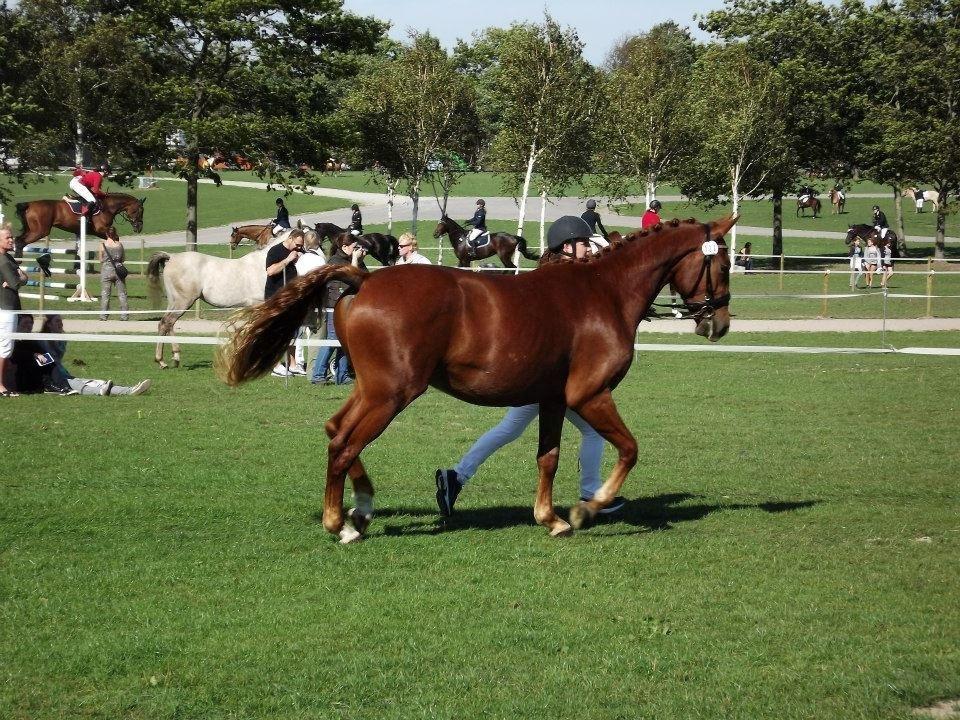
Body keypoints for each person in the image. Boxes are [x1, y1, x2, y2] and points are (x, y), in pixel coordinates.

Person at [435, 215, 626, 518]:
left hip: (547, 375)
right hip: (549, 375)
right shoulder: (566, 279)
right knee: (591, 431)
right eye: (583, 244)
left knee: (510, 429)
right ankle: (591, 492)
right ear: (567, 246)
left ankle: (457, 476)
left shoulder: (566, 272)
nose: (588, 249)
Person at [40, 314, 151, 395]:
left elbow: (57, 359)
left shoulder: (61, 341)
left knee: (96, 382)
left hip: (64, 375)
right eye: (57, 321)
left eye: (61, 321)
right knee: (81, 386)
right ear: (49, 325)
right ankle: (108, 391)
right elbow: (46, 364)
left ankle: (130, 390)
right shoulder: (41, 342)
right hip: (54, 379)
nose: (61, 324)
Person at [310, 237, 367, 385]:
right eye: (354, 247)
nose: (356, 251)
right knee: (332, 340)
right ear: (344, 246)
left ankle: (341, 376)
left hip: (348, 306)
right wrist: (355, 259)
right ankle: (318, 375)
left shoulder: (349, 260)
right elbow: (352, 278)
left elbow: (365, 278)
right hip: (334, 307)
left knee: (343, 341)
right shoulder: (335, 262)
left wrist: (359, 261)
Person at [265, 229, 304, 377]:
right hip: (275, 298)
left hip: (291, 298)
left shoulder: (298, 251)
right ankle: (275, 365)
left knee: (292, 332)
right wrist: (288, 260)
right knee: (277, 333)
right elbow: (270, 271)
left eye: (301, 245)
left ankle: (292, 364)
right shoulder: (275, 251)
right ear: (290, 239)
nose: (299, 248)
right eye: (298, 244)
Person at [0, 223, 28, 396]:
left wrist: (20, 278)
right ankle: (0, 385)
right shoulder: (3, 261)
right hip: (5, 308)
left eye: (11, 237)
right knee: (5, 347)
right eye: (7, 238)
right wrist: (20, 278)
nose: (12, 240)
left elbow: (21, 277)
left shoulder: (9, 258)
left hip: (11, 306)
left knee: (6, 347)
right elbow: (16, 283)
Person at [292, 241, 327, 375]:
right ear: (317, 244)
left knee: (299, 331)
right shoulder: (320, 259)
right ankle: (313, 363)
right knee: (314, 333)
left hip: (301, 298)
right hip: (315, 299)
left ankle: (299, 361)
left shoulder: (300, 260)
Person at [99, 232, 129, 321]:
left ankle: (103, 316)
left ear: (107, 234)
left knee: (105, 294)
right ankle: (124, 316)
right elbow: (123, 259)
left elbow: (101, 260)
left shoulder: (102, 245)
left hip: (106, 271)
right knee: (122, 294)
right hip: (118, 271)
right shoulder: (120, 245)